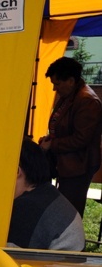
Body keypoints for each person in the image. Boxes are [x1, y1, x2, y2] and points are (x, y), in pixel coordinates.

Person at [39, 56, 102, 217]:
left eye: (57, 83)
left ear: (71, 81)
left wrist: (52, 145)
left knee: (69, 210)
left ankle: (69, 241)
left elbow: (81, 139)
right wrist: (50, 140)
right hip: (68, 163)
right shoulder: (70, 97)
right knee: (62, 206)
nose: (55, 89)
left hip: (79, 166)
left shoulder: (87, 101)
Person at [8, 138, 85, 251]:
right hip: (67, 265)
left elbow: (6, 256)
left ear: (17, 171)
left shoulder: (26, 207)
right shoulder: (45, 191)